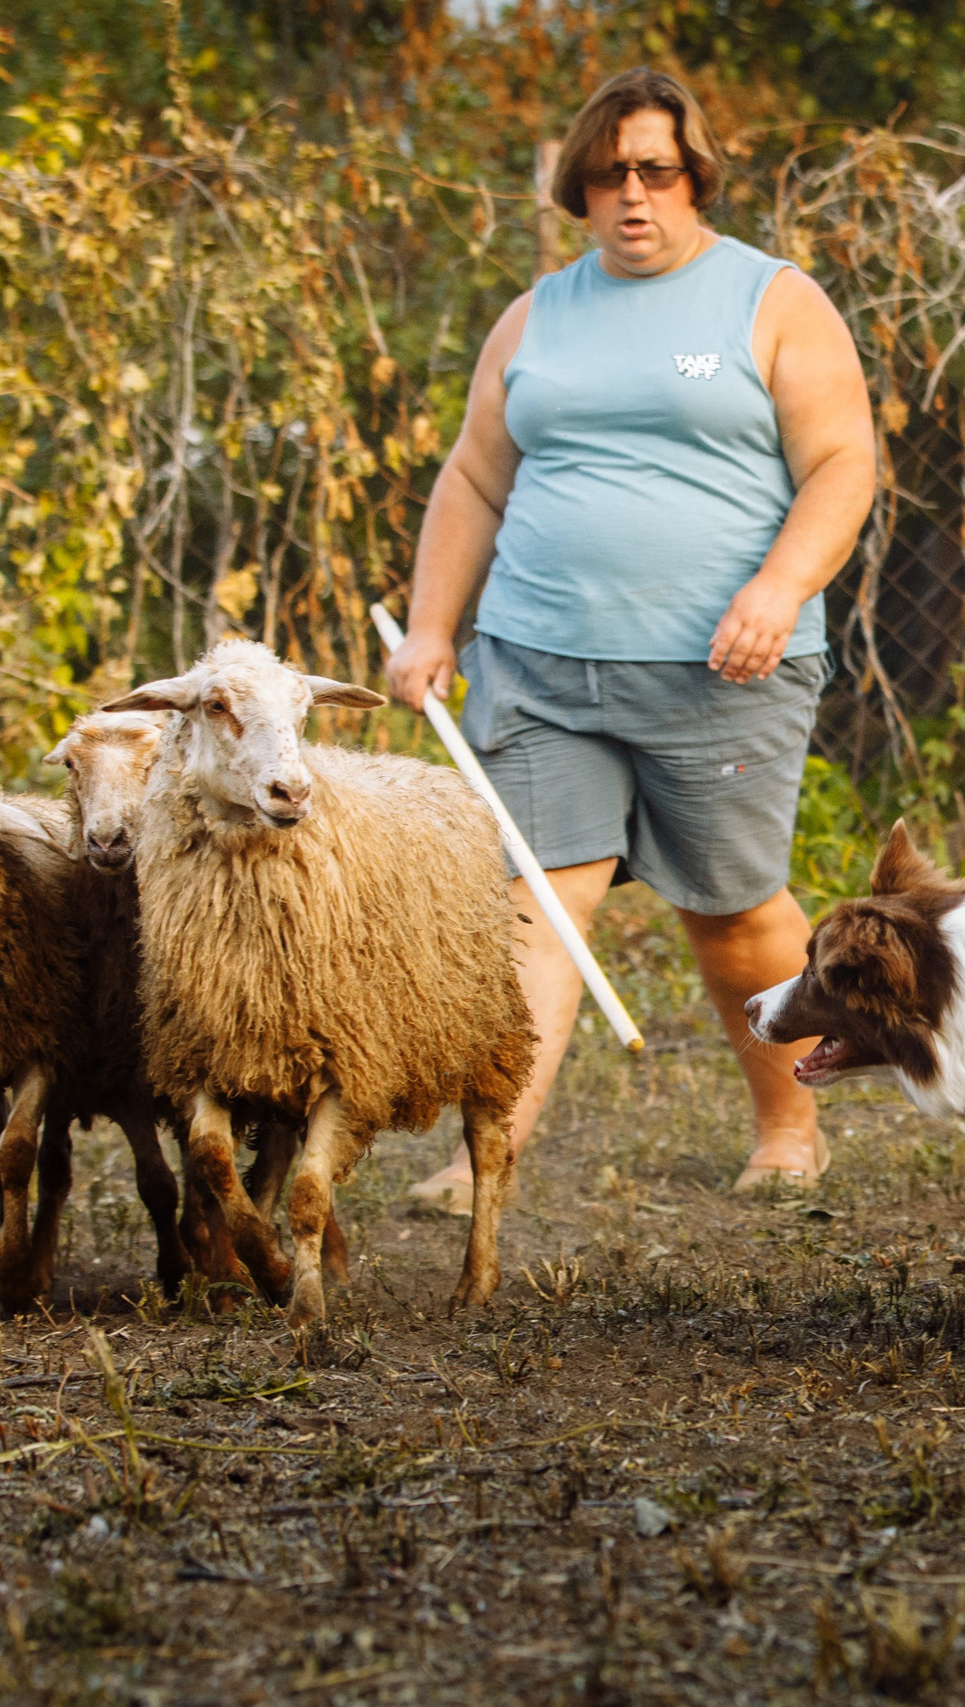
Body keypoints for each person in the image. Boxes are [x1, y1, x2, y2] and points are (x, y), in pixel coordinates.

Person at [387, 67, 876, 1201]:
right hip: (538, 661)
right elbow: (473, 478)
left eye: (655, 169)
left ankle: (788, 1128)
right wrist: (429, 627)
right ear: (580, 188)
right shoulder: (536, 316)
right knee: (537, 906)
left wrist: (778, 588)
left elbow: (842, 464)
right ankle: (488, 1158)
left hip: (723, 667)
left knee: (731, 912)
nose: (633, 194)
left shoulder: (771, 300)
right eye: (608, 175)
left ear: (695, 175)